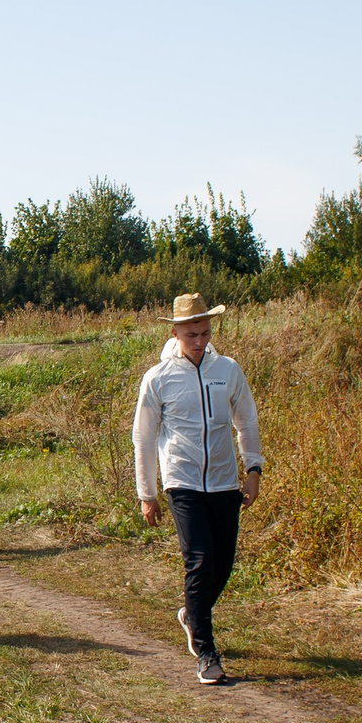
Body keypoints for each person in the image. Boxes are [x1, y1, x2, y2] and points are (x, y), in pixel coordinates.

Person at [133, 293, 263, 686]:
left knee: (223, 563)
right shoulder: (158, 378)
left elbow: (247, 420)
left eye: (205, 333)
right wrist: (147, 494)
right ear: (175, 333)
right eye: (192, 334)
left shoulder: (228, 370)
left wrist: (253, 469)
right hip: (183, 482)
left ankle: (193, 614)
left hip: (224, 482)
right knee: (200, 561)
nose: (200, 341)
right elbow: (144, 437)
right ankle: (207, 654)